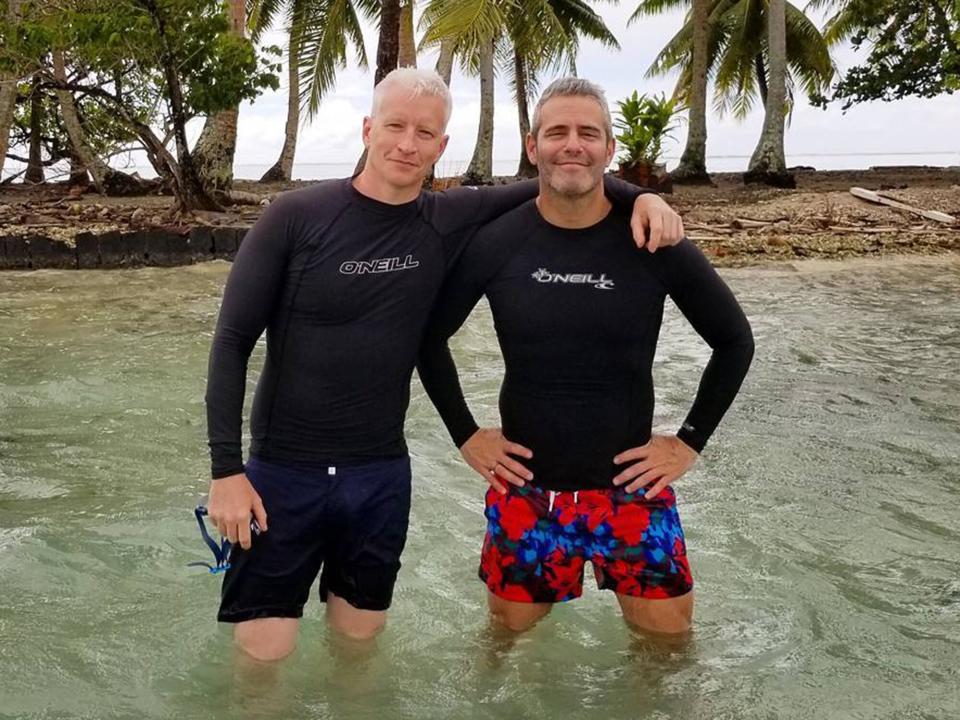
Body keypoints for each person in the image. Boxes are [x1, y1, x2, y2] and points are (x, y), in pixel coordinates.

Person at [204, 68, 687, 662]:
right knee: (262, 652)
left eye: (425, 133)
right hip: (282, 472)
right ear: (367, 129)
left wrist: (642, 195)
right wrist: (227, 471)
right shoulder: (296, 216)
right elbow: (231, 342)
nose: (408, 144)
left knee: (359, 647)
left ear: (442, 146)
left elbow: (566, 180)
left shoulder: (448, 218)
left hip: (380, 473)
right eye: (395, 126)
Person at [417, 77, 755, 637]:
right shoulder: (497, 242)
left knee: (667, 658)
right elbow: (428, 338)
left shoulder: (651, 238)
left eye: (587, 133)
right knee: (508, 659)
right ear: (533, 147)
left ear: (609, 150)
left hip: (633, 493)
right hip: (527, 493)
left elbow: (735, 341)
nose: (572, 144)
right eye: (557, 132)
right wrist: (466, 434)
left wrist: (687, 442)